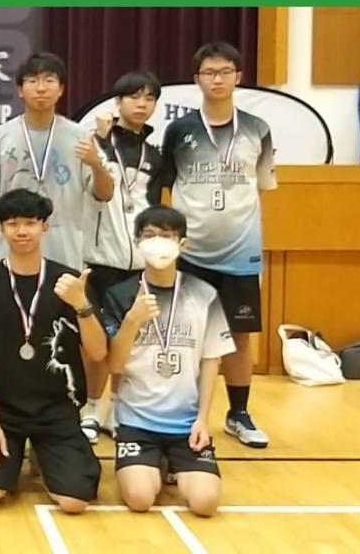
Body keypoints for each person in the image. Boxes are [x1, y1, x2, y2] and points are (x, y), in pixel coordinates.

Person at [150, 42, 277, 448]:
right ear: (196, 79)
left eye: (225, 71)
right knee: (185, 333)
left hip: (241, 252)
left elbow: (263, 184)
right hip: (190, 252)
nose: (217, 79)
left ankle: (238, 414)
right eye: (209, 72)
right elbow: (165, 188)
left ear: (238, 76)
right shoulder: (180, 131)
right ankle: (184, 414)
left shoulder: (257, 129)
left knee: (239, 336)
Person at [0, 188, 106, 513]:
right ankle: (5, 456)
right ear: (0, 228)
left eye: (30, 223)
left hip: (56, 410)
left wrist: (81, 305)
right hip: (3, 411)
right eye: (12, 224)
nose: (21, 231)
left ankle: (44, 452)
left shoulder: (69, 281)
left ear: (45, 227)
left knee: (74, 502)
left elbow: (97, 352)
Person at [102, 205, 231, 517]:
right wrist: (132, 321)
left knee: (205, 503)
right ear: (137, 241)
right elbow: (114, 365)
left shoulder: (205, 294)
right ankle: (153, 462)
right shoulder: (120, 294)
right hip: (136, 422)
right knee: (140, 499)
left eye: (166, 236)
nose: (157, 242)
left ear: (182, 243)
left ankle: (171, 460)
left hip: (186, 424)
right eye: (149, 235)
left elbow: (211, 361)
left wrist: (203, 420)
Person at [78, 70, 165, 443]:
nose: (142, 104)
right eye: (134, 96)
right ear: (118, 102)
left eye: (149, 98)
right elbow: (97, 190)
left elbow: (154, 208)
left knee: (127, 343)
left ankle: (115, 409)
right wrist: (99, 140)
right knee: (94, 345)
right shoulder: (97, 141)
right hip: (99, 261)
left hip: (138, 266)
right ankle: (90, 408)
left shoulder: (155, 155)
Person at [0, 52, 114, 272]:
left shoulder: (80, 136)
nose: (41, 88)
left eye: (49, 80)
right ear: (20, 89)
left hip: (64, 250)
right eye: (33, 80)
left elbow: (105, 194)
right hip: (9, 249)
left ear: (61, 89)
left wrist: (95, 164)